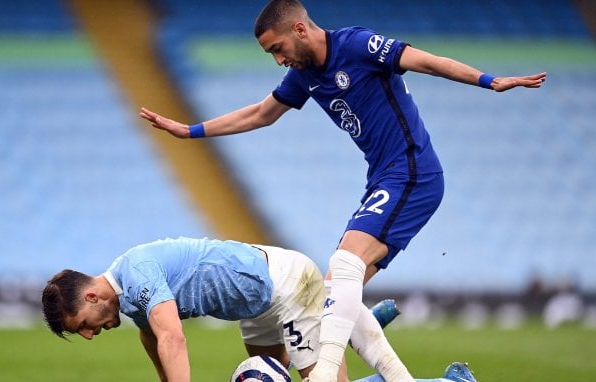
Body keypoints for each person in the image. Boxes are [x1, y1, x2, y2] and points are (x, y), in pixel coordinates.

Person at [139, 1, 545, 381]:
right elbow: (262, 113)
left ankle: (325, 370)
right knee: (328, 290)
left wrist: (489, 80)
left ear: (300, 28)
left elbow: (424, 60)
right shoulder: (304, 75)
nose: (279, 60)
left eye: (278, 48)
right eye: (271, 55)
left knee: (344, 263)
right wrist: (190, 131)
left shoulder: (356, 44)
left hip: (412, 170)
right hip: (384, 177)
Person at [41, 236, 475, 382]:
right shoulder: (127, 293)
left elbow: (172, 335)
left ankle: (449, 381)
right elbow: (151, 335)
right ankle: (339, 324)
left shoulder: (136, 271)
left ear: (93, 298)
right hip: (257, 306)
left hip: (283, 286)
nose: (89, 334)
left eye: (82, 325)